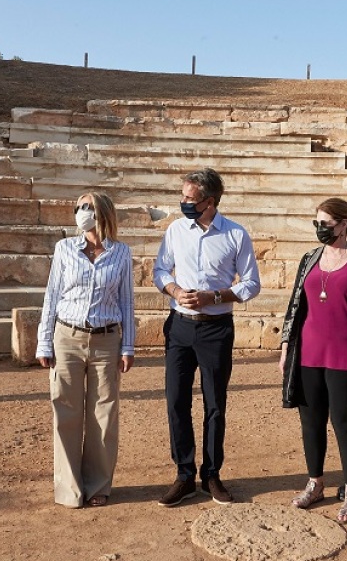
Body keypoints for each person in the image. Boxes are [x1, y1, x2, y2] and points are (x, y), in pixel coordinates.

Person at [152, 168, 261, 506]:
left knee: (215, 405)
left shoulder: (236, 235)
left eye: (189, 199)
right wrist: (173, 289)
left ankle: (211, 475)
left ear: (210, 202)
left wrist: (213, 297)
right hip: (180, 325)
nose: (183, 202)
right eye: (183, 196)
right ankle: (184, 475)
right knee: (176, 401)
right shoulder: (174, 230)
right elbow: (159, 270)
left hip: (215, 328)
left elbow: (251, 284)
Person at [279, 198, 347, 524]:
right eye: (317, 223)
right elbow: (296, 304)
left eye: (325, 223)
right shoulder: (309, 259)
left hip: (346, 354)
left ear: (343, 224)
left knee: (345, 423)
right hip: (309, 352)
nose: (320, 229)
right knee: (310, 422)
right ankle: (315, 483)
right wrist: (286, 344)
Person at [36, 192, 136, 508]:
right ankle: (69, 489)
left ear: (102, 212)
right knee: (65, 411)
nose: (81, 212)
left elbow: (127, 302)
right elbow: (52, 296)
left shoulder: (121, 253)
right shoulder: (64, 248)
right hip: (66, 337)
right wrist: (44, 340)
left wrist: (129, 345)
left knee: (103, 414)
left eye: (87, 207)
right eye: (78, 206)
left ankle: (98, 486)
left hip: (107, 340)